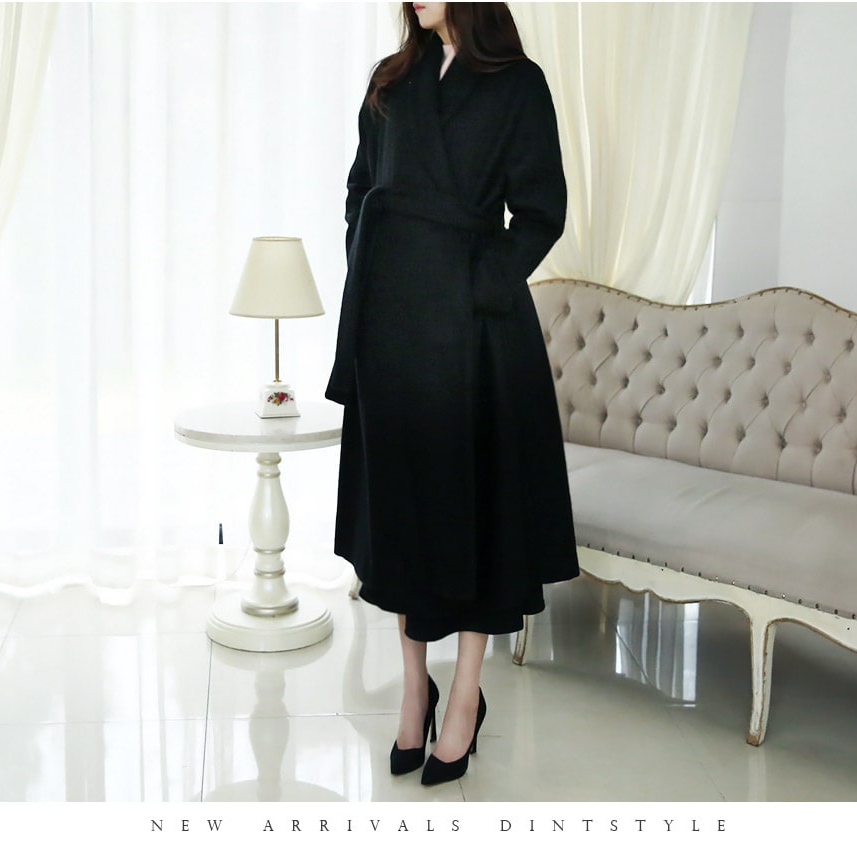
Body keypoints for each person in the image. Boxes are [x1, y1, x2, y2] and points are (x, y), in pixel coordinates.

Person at [326, 1, 579, 787]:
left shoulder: (518, 84)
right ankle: (415, 689)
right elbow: (359, 190)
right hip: (391, 329)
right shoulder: (390, 81)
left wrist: (477, 283)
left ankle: (465, 695)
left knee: (475, 518)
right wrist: (376, 268)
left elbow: (541, 211)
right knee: (400, 517)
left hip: (476, 334)